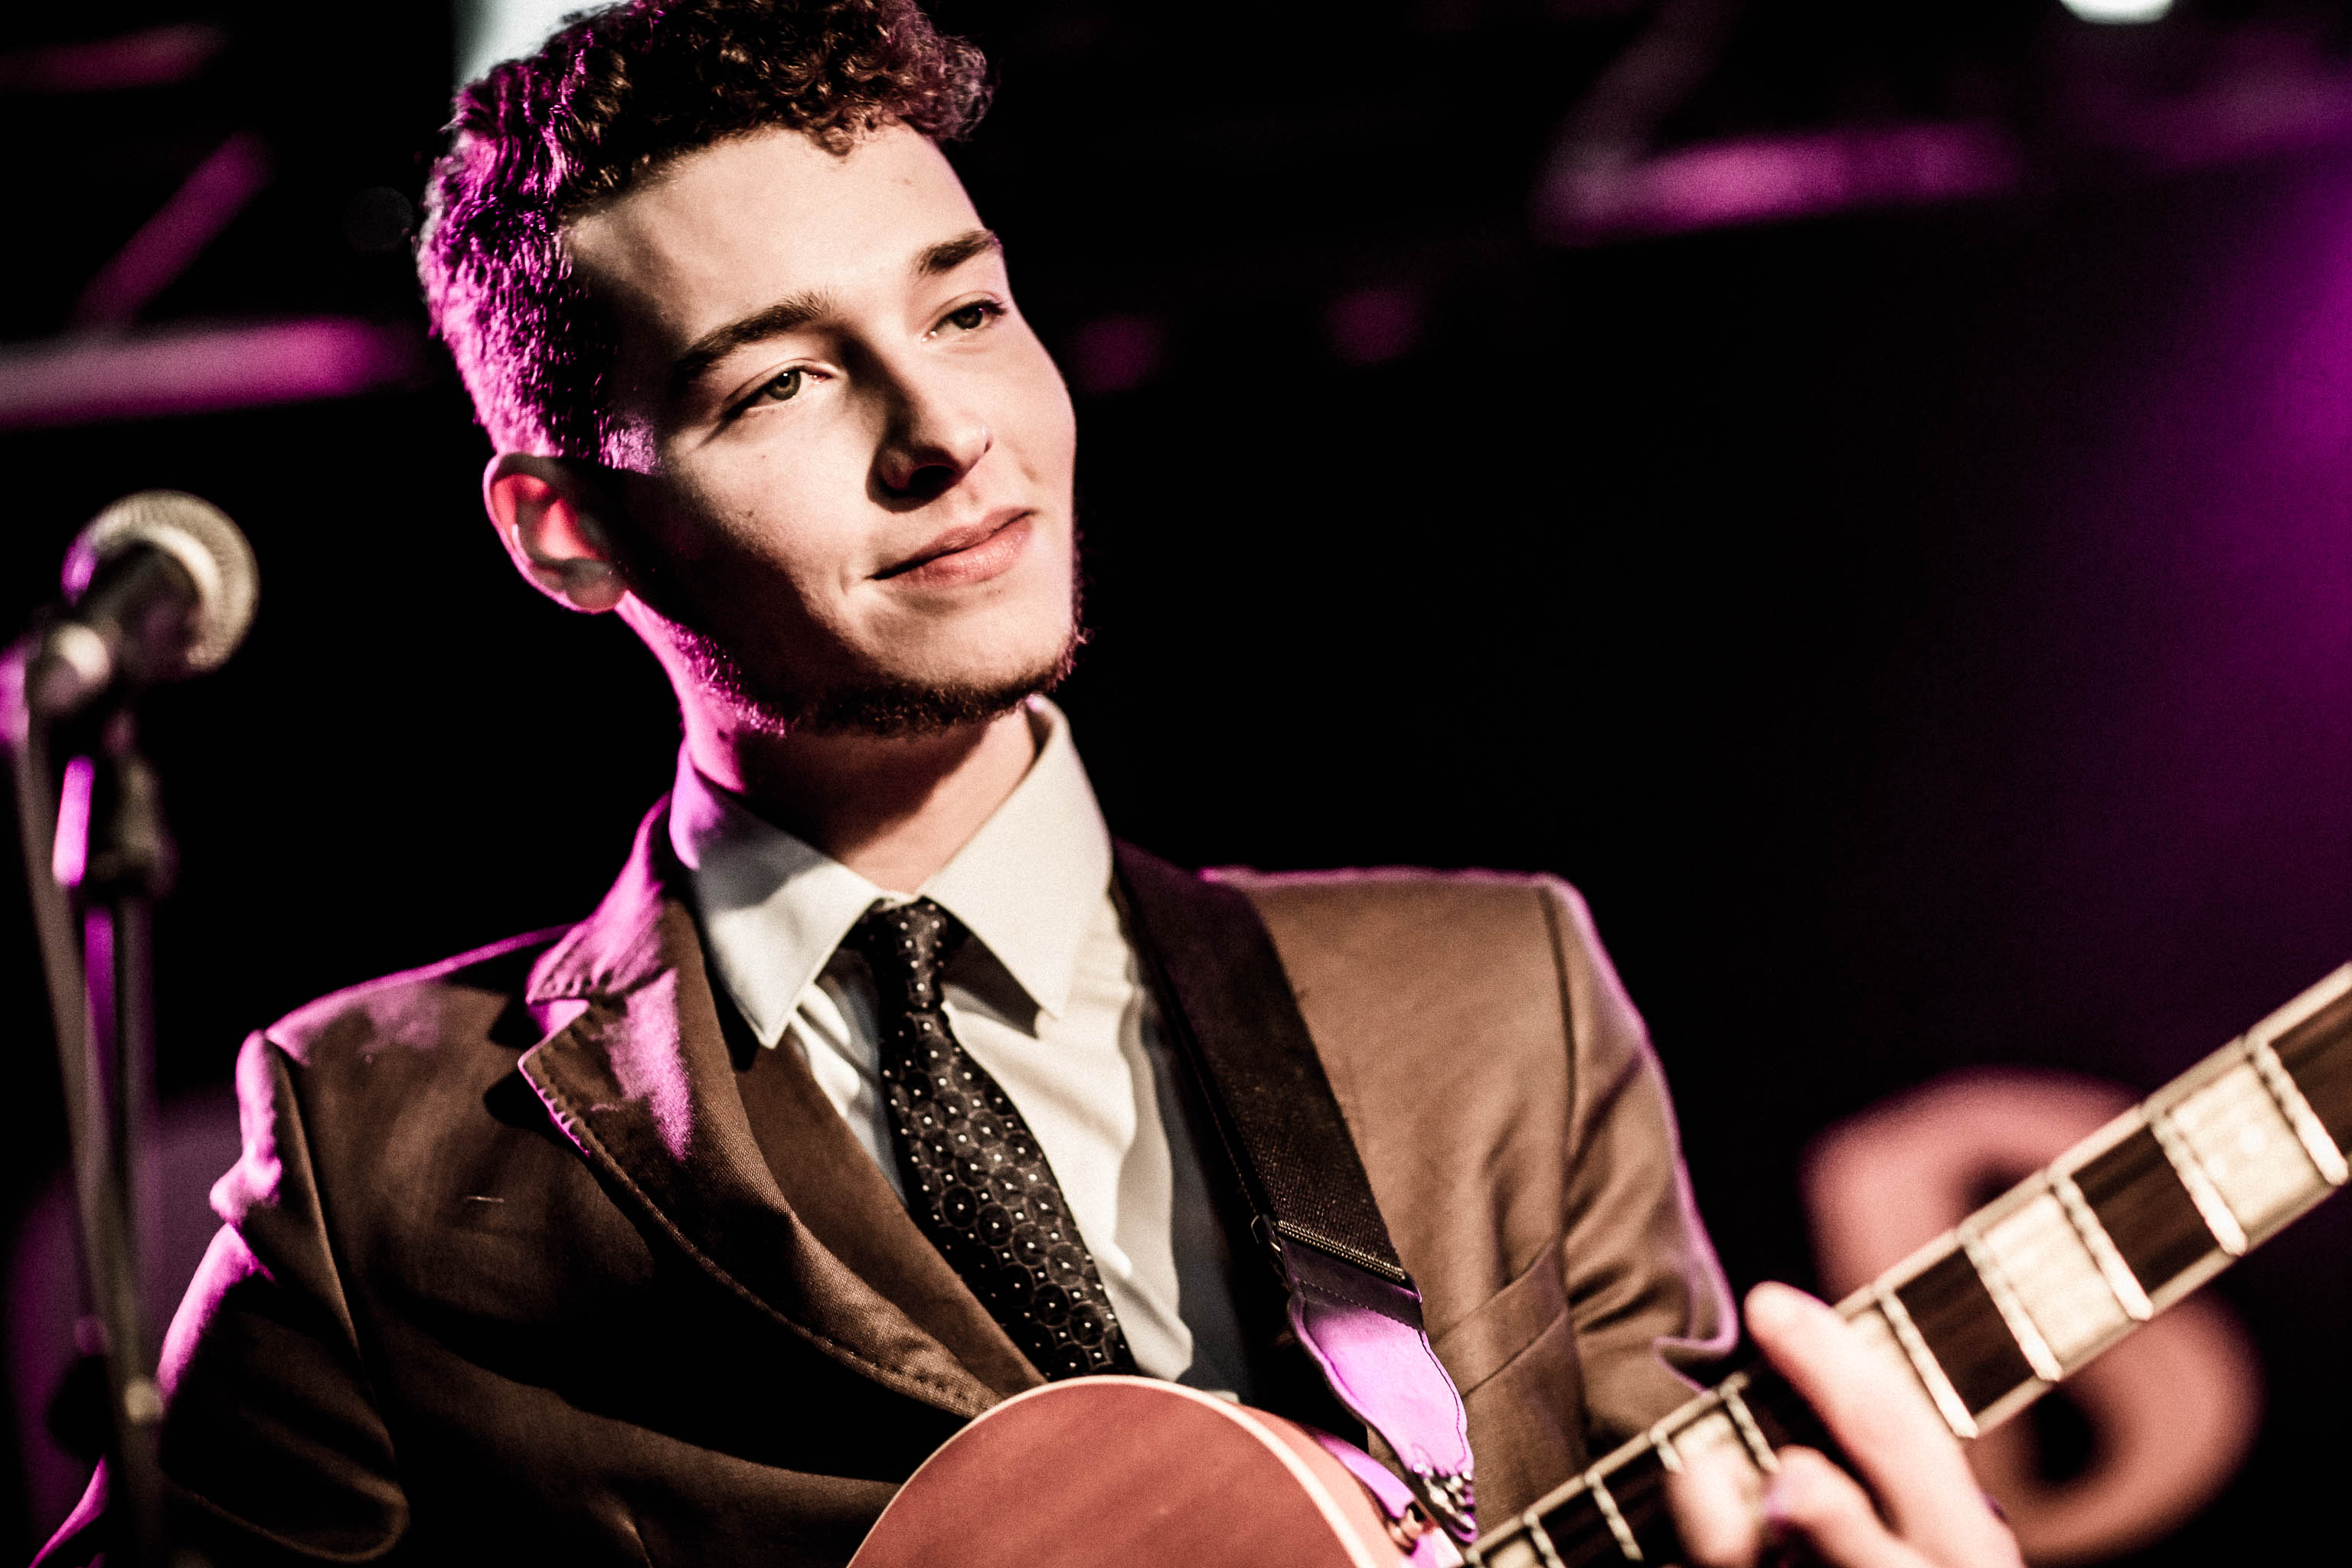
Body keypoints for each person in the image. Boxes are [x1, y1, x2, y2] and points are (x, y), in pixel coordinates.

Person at [38, 3, 2024, 1564]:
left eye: (967, 308)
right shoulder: (377, 1151)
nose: (946, 429)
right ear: (565, 531)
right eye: (783, 380)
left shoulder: (1498, 996)